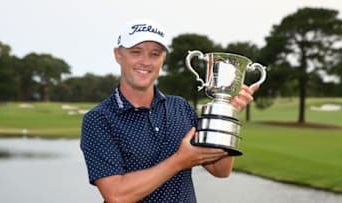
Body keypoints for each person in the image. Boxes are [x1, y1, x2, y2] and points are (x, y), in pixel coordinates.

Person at [80, 19, 259, 203]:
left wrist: (227, 115)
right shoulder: (99, 119)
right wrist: (179, 161)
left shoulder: (180, 107)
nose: (145, 61)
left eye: (155, 54)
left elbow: (220, 170)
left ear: (163, 59)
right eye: (136, 52)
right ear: (118, 55)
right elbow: (116, 195)